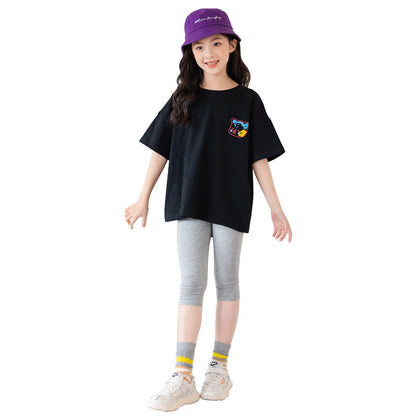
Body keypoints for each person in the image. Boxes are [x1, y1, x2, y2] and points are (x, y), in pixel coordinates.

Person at [124, 8, 292, 412]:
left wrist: (276, 208)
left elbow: (259, 159)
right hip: (189, 202)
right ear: (191, 53)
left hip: (232, 204)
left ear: (232, 45)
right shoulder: (183, 98)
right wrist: (143, 197)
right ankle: (183, 375)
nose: (208, 53)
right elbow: (160, 150)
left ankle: (219, 367)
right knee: (190, 285)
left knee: (227, 282)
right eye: (199, 46)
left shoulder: (247, 101)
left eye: (216, 43)